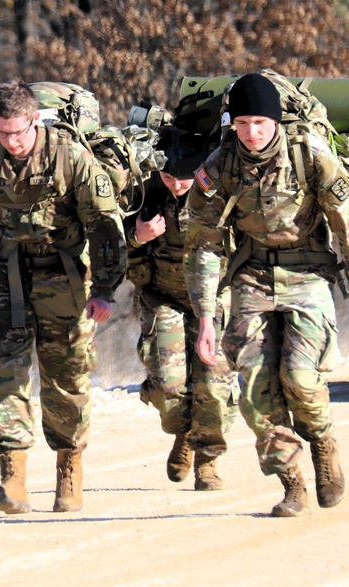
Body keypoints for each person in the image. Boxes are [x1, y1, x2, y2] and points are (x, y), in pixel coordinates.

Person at [184, 73, 349, 517]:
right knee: (255, 388)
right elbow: (204, 243)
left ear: (276, 122)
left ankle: (324, 443)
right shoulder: (220, 165)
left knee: (300, 378)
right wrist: (206, 317)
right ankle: (292, 485)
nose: (252, 133)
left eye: (261, 123)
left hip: (308, 272)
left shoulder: (309, 154)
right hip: (251, 276)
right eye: (244, 123)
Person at [0, 81, 126, 514]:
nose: (11, 142)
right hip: (8, 279)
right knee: (5, 370)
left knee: (65, 378)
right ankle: (14, 477)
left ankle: (69, 469)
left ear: (33, 120)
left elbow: (105, 225)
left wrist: (103, 290)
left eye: (18, 133)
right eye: (2, 133)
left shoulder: (71, 158)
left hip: (65, 279)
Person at [130, 166, 239, 491]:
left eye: (184, 178)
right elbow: (108, 247)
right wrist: (137, 237)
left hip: (215, 296)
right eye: (168, 177)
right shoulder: (145, 194)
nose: (176, 185)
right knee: (167, 383)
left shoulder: (223, 191)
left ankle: (207, 461)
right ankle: (183, 433)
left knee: (213, 383)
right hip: (164, 296)